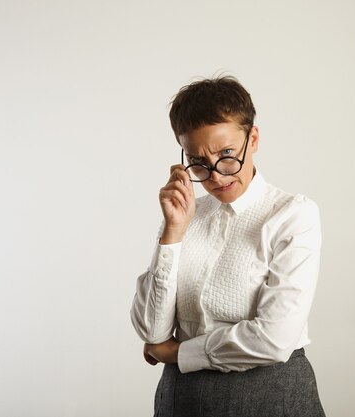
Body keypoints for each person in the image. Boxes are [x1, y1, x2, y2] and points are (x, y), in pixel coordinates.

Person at [130, 75, 326, 417]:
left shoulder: (292, 215)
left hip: (271, 398)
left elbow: (275, 339)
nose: (216, 176)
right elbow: (151, 331)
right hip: (183, 400)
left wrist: (177, 354)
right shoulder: (186, 215)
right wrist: (173, 232)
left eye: (227, 153)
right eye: (198, 162)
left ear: (253, 139)